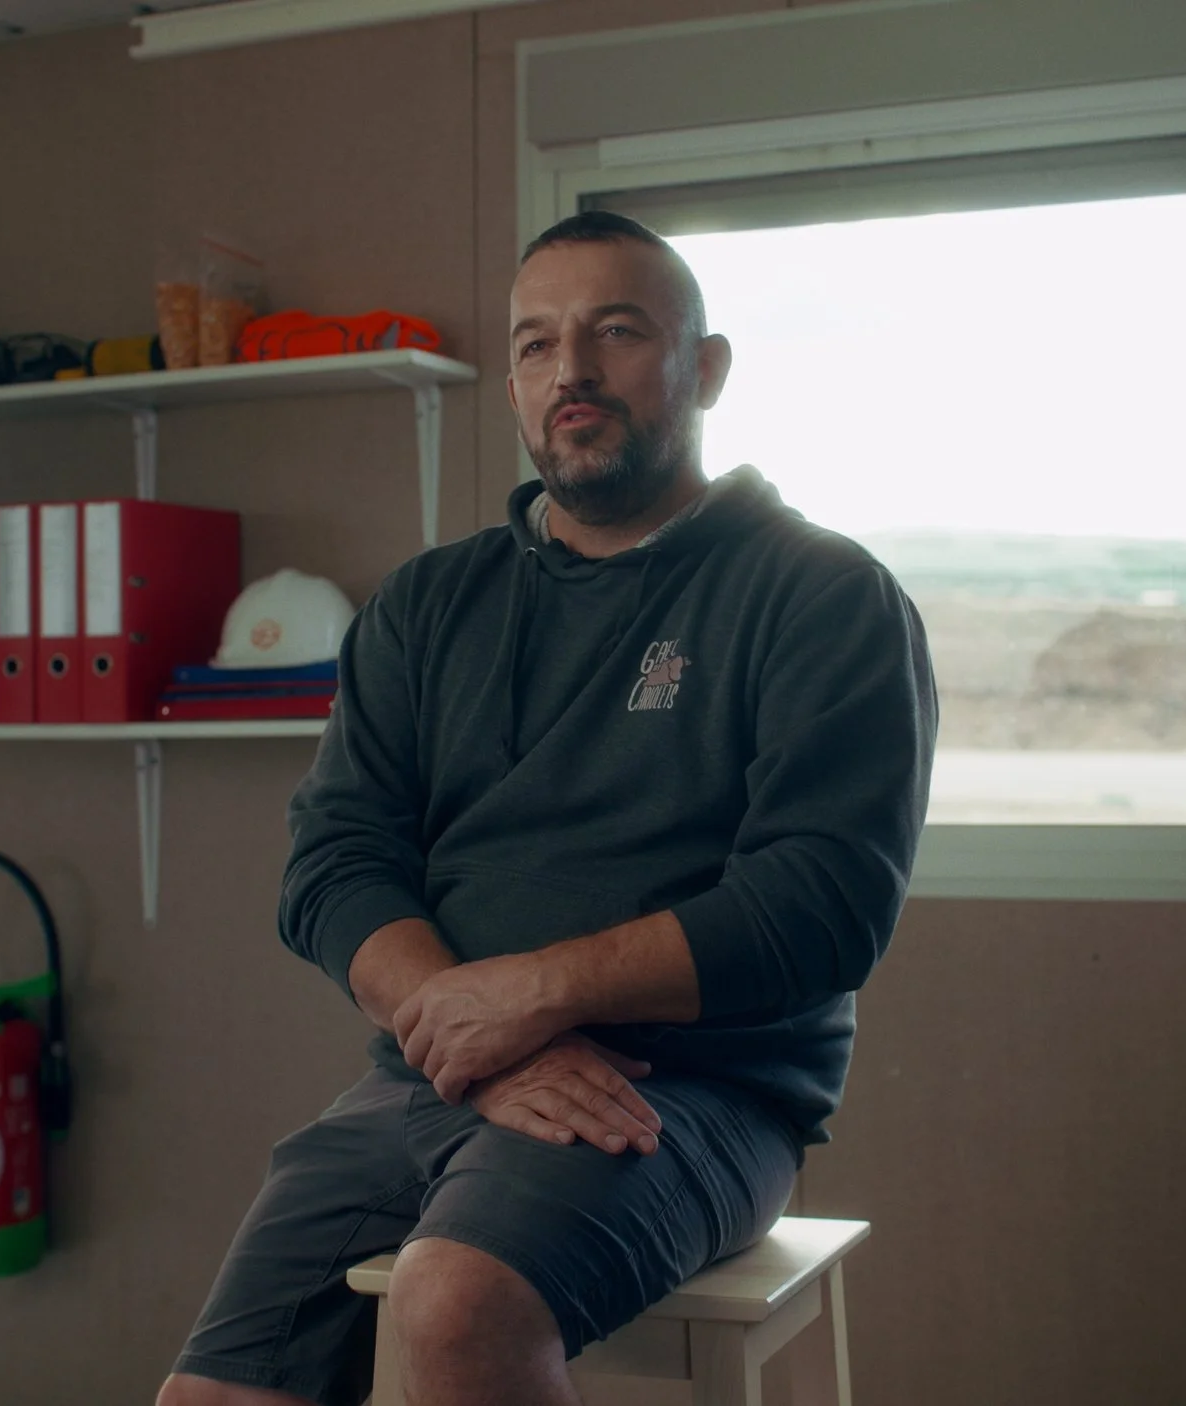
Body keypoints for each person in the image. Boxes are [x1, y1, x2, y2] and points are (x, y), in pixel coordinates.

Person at [154, 211, 938, 1406]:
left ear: (704, 368)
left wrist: (532, 995)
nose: (569, 369)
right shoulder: (426, 605)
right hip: (432, 1080)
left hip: (691, 1093)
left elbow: (821, 904)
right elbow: (335, 862)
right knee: (209, 1397)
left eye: (615, 331)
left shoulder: (821, 593)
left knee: (452, 1301)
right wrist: (468, 1032)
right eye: (535, 343)